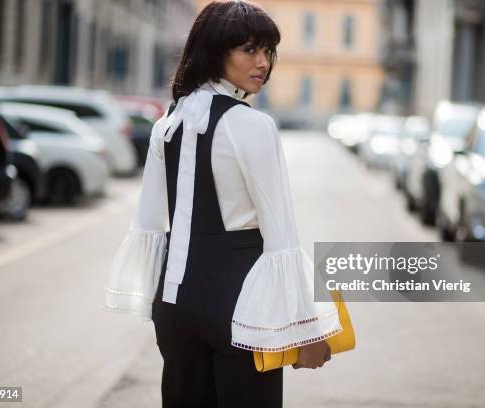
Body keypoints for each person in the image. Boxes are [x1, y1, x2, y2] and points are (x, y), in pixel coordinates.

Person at [103, 1, 342, 406]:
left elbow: (147, 225)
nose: (263, 62)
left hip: (174, 304)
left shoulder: (168, 123)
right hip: (241, 302)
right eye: (249, 49)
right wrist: (306, 329)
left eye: (268, 51)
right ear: (216, 52)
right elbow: (281, 235)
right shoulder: (253, 124)